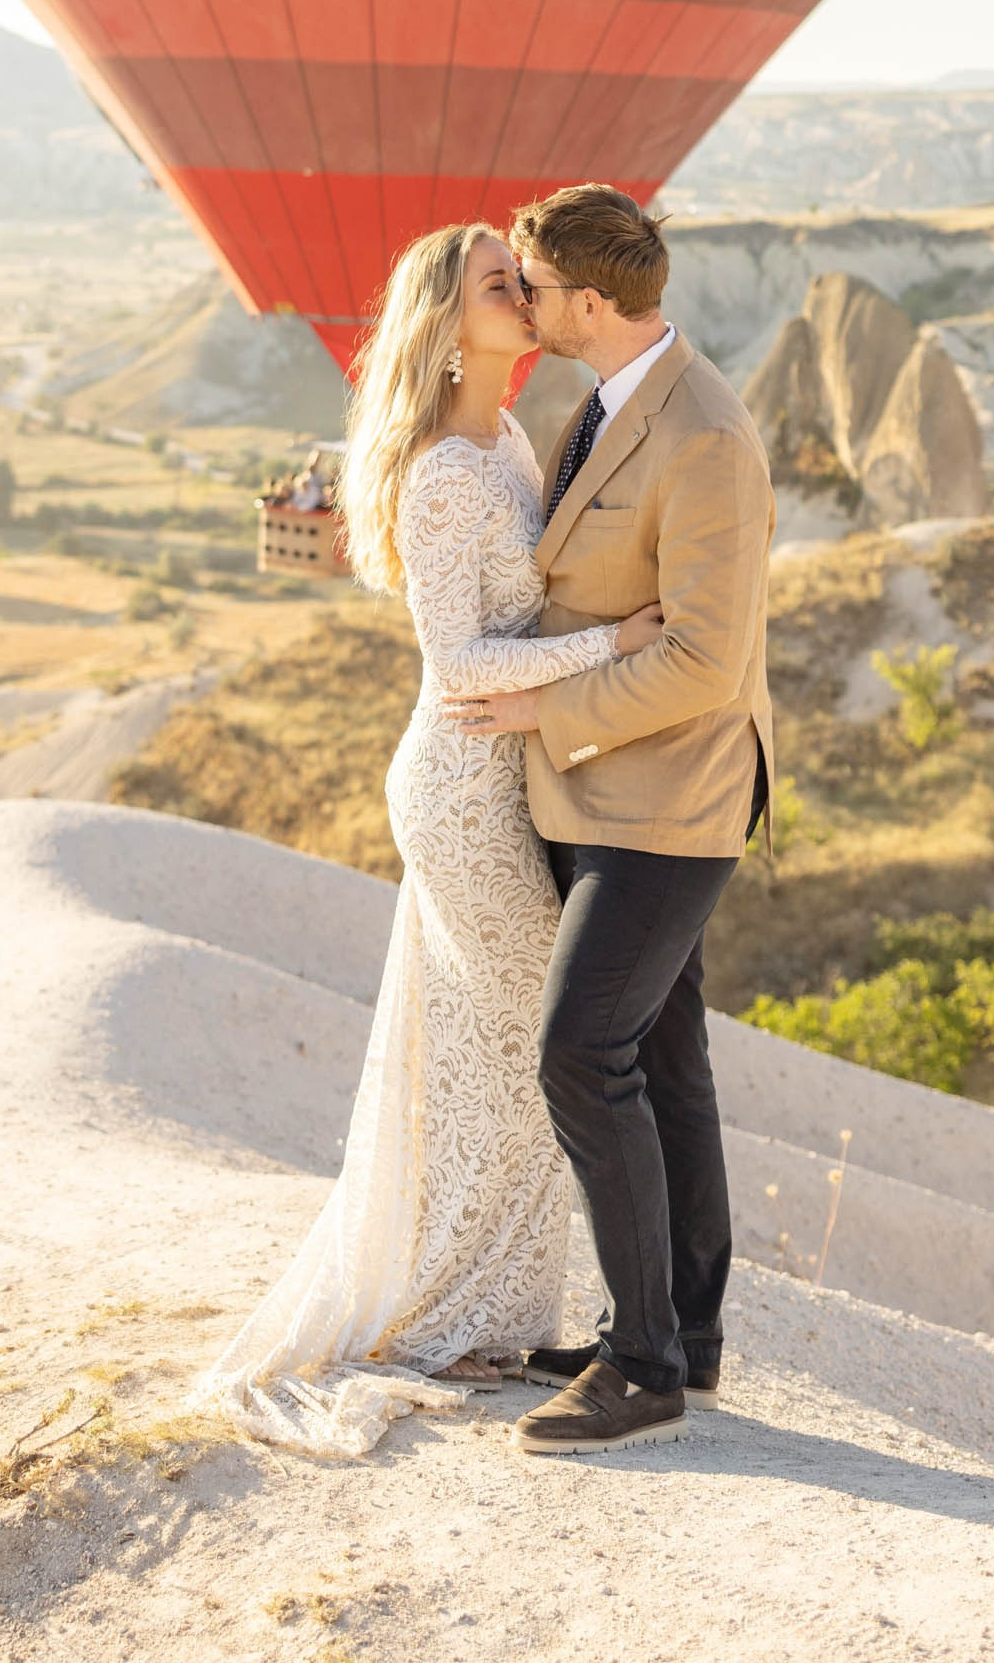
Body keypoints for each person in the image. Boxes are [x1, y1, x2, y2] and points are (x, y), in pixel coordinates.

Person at [189, 223, 663, 1458]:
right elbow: (459, 664)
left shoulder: (504, 437)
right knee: (531, 1044)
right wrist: (620, 648)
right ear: (450, 327)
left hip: (512, 771)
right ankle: (448, 1315)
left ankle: (485, 1313)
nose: (529, 292)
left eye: (523, 277)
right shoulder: (448, 470)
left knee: (494, 1054)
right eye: (502, 285)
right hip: (462, 786)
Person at [445, 184, 775, 1456]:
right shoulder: (610, 400)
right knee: (668, 1058)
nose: (518, 302)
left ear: (588, 302)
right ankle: (683, 1334)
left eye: (530, 284)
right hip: (603, 788)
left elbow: (703, 660)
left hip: (669, 795)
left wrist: (543, 709)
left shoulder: (703, 437)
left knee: (582, 1053)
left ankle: (640, 1366)